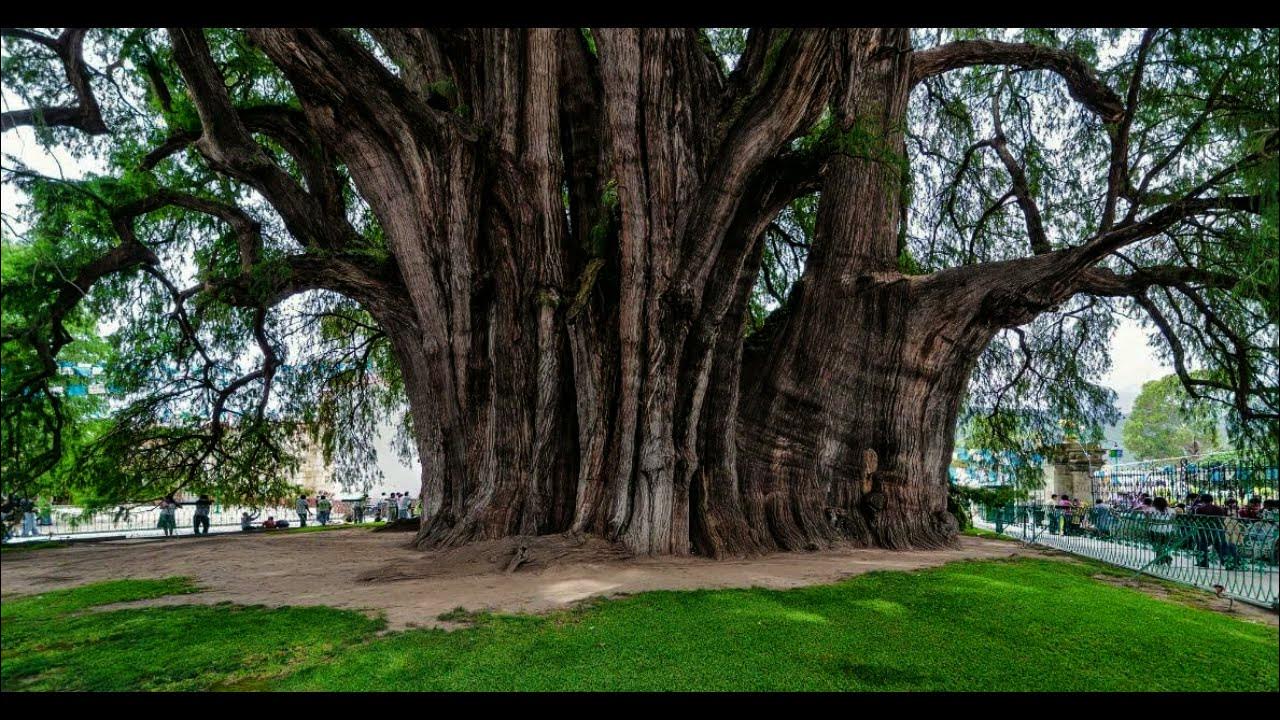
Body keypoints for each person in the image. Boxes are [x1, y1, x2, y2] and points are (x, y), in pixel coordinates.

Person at [1149, 497, 1178, 565]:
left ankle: (1162, 558)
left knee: (1157, 545)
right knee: (1164, 545)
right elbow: (1173, 520)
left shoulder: (1152, 509)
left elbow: (1148, 517)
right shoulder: (1171, 510)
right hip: (1168, 530)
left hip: (1155, 529)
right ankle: (1162, 558)